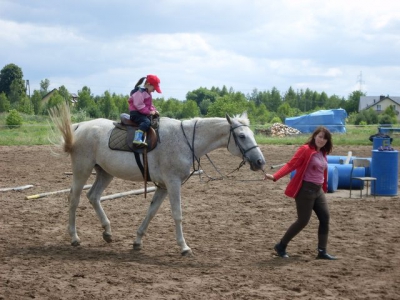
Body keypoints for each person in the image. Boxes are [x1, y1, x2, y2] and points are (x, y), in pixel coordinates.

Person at [264, 126, 337, 260]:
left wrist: (324, 187)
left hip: (318, 190)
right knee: (303, 221)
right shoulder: (305, 150)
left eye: (325, 138)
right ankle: (281, 246)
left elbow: (323, 171)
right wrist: (275, 176)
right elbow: (291, 165)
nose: (322, 140)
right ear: (315, 136)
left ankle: (322, 251)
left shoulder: (323, 153)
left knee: (325, 219)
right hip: (305, 190)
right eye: (320, 136)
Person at [128, 74, 161, 147]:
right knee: (146, 121)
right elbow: (139, 105)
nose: (154, 90)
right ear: (148, 84)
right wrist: (149, 112)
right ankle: (137, 138)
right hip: (136, 113)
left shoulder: (147, 92)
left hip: (142, 112)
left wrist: (154, 111)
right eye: (154, 88)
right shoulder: (139, 92)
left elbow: (150, 105)